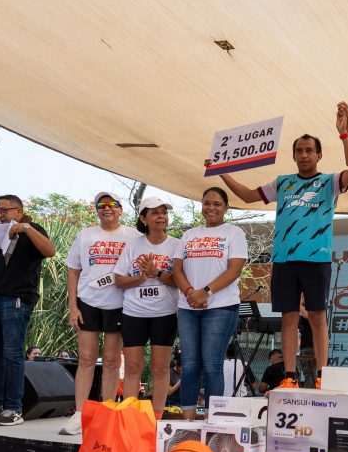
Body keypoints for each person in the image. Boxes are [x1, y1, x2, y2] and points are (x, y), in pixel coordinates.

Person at [218, 102, 348, 388]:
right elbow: (247, 196)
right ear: (294, 155)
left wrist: (346, 134)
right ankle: (290, 377)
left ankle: (323, 376)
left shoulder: (328, 181)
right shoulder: (283, 183)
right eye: (299, 150)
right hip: (284, 259)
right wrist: (222, 171)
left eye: (310, 150)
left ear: (319, 154)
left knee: (318, 317)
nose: (304, 154)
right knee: (289, 319)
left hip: (316, 258)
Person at [61, 191, 140, 435]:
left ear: (120, 209)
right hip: (88, 302)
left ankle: (106, 412)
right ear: (96, 210)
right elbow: (73, 271)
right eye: (101, 205)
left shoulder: (133, 235)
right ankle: (79, 414)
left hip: (119, 304)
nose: (106, 209)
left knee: (111, 361)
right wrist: (73, 306)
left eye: (111, 205)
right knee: (85, 359)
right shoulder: (86, 235)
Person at [0, 194, 56, 426]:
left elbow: (50, 251)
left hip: (16, 298)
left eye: (4, 210)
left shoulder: (31, 229)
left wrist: (26, 227)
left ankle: (13, 409)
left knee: (12, 353)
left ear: (18, 211)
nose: (0, 215)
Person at [172, 186, 247, 418]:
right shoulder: (188, 235)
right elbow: (177, 270)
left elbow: (235, 270)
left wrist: (205, 292)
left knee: (213, 364)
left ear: (226, 207)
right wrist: (190, 293)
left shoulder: (234, 233)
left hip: (221, 307)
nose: (211, 207)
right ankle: (188, 420)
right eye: (206, 203)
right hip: (188, 307)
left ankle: (213, 419)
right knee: (191, 365)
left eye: (216, 203)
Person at [114, 197, 180, 418]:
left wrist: (157, 272)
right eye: (155, 212)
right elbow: (119, 280)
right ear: (143, 218)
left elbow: (181, 281)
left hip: (166, 313)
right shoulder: (133, 245)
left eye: (164, 212)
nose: (161, 216)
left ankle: (157, 418)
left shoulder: (177, 245)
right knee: (133, 366)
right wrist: (141, 277)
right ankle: (130, 416)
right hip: (134, 313)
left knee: (160, 368)